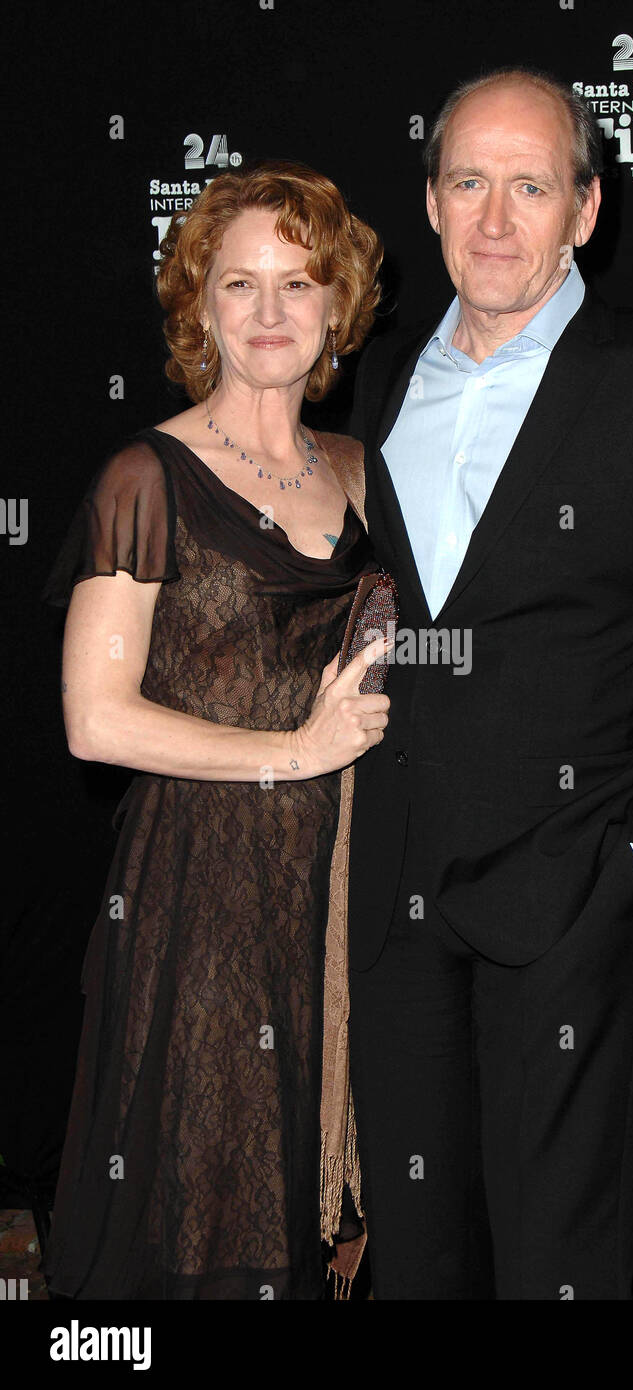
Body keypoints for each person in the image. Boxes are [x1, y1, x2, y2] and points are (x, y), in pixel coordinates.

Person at [346, 67, 633, 1299]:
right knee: (420, 1263)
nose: (493, 218)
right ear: (429, 202)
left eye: (529, 186)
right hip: (391, 908)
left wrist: (632, 869)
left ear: (584, 209)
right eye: (468, 182)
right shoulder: (376, 383)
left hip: (567, 905)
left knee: (556, 1268)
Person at [40, 161, 390, 1299]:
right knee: (197, 1213)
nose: (272, 313)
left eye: (299, 284)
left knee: (299, 1203)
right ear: (201, 305)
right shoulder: (147, 475)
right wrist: (292, 753)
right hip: (200, 892)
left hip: (329, 888)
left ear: (336, 306)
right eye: (241, 284)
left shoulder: (358, 474)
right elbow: (95, 720)